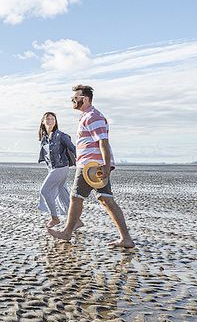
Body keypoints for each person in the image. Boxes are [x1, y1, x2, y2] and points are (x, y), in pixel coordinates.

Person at [47, 85, 135, 249]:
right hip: (92, 164)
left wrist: (106, 168)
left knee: (75, 197)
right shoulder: (87, 116)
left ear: (85, 99)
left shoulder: (93, 117)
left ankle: (67, 232)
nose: (73, 100)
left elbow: (104, 142)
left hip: (91, 165)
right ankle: (126, 239)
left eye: (75, 97)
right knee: (105, 199)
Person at [36, 112, 80, 229]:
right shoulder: (44, 139)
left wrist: (84, 162)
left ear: (55, 121)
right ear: (43, 121)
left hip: (61, 167)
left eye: (52, 118)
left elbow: (73, 149)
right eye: (48, 118)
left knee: (44, 191)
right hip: (52, 169)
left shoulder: (61, 135)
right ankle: (77, 221)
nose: (50, 120)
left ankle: (54, 218)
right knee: (63, 196)